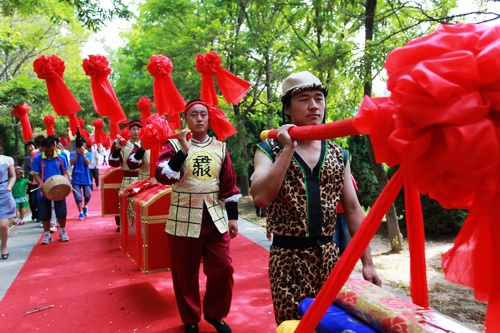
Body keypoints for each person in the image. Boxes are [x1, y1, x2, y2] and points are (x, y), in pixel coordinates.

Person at [250, 71, 382, 325]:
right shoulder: (268, 149)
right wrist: (288, 148)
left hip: (331, 257)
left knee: (333, 326)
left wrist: (368, 262)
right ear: (287, 108)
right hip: (287, 259)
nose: (313, 105)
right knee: (293, 326)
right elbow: (260, 197)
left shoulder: (338, 153)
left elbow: (353, 209)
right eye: (303, 99)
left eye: (318, 98)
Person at [155, 100, 240, 333]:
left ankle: (215, 314)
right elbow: (163, 175)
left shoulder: (220, 148)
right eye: (194, 114)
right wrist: (183, 150)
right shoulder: (173, 144)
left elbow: (229, 184)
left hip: (214, 218)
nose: (199, 118)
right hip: (183, 218)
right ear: (186, 119)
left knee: (224, 269)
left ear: (208, 118)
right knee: (185, 274)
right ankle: (191, 318)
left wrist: (233, 216)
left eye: (203, 114)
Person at [109, 120, 150, 232]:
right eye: (134, 129)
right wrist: (117, 149)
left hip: (144, 180)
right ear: (129, 130)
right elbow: (113, 162)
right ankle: (126, 230)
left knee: (142, 207)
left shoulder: (147, 143)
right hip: (128, 179)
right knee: (127, 207)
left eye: (139, 129)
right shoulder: (123, 145)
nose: (136, 132)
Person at [32, 137, 71, 245]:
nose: (49, 152)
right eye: (47, 150)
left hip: (58, 188)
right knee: (44, 213)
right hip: (44, 189)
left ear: (55, 147)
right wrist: (40, 182)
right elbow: (35, 173)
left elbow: (64, 172)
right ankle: (47, 234)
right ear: (42, 148)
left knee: (61, 212)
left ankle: (63, 231)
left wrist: (64, 181)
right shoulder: (38, 159)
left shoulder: (61, 157)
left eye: (51, 150)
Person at [334, 149, 358, 255]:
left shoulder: (350, 178)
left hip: (345, 213)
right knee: (334, 242)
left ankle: (343, 264)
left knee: (346, 243)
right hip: (333, 213)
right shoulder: (332, 175)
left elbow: (353, 197)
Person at [0, 139, 16, 259]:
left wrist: (9, 187)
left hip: (3, 191)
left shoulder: (6, 159)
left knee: (4, 225)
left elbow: (13, 176)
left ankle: (4, 245)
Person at [70, 137, 92, 220]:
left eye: (83, 145)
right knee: (78, 196)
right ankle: (80, 212)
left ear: (85, 145)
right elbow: (71, 163)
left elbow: (88, 163)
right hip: (76, 178)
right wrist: (76, 154)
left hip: (85, 177)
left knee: (87, 196)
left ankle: (85, 206)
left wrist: (83, 154)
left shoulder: (88, 153)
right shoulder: (73, 153)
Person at [23, 140, 38, 222]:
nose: (30, 148)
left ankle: (39, 214)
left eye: (31, 146)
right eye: (28, 147)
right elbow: (26, 169)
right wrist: (31, 174)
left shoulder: (38, 155)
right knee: (32, 199)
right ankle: (34, 213)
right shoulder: (26, 158)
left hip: (39, 178)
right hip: (31, 179)